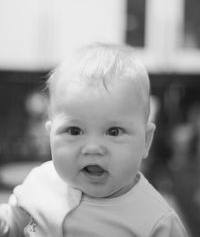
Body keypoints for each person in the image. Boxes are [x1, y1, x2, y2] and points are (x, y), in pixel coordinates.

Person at [0, 42, 188, 236]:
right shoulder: (40, 182)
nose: (92, 148)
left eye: (114, 132)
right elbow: (14, 222)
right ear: (51, 136)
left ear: (146, 141)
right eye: (74, 131)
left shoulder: (156, 223)